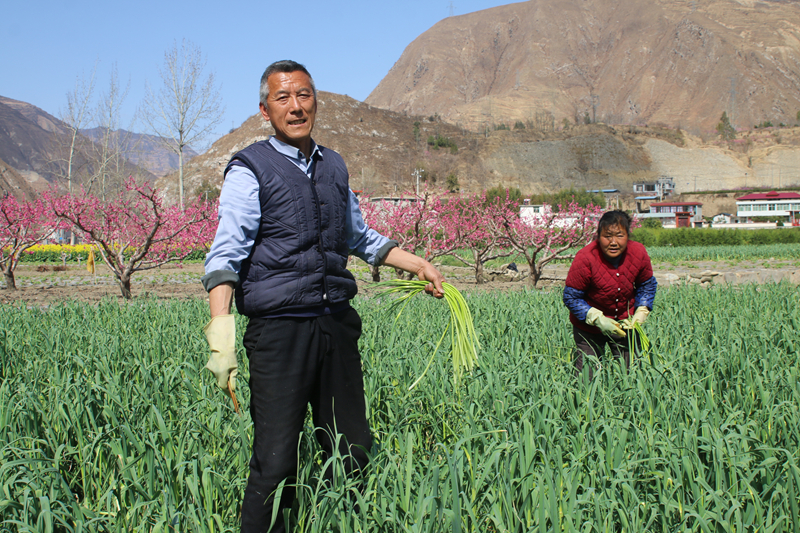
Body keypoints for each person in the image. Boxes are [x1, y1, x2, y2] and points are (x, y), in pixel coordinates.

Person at [201, 60, 446, 533]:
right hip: (280, 331)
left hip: (335, 321)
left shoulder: (333, 164)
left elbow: (359, 236)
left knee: (351, 449)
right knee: (276, 462)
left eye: (304, 95)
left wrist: (417, 264)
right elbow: (225, 256)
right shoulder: (249, 169)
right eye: (283, 98)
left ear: (316, 100)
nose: (296, 107)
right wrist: (221, 335)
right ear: (265, 110)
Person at [562, 210, 657, 377]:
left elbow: (646, 284)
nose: (613, 242)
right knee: (587, 377)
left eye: (619, 235)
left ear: (628, 235)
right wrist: (596, 318)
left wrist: (642, 309)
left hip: (624, 325)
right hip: (589, 328)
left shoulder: (638, 252)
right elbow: (571, 296)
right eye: (607, 236)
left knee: (632, 376)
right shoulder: (585, 257)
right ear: (598, 236)